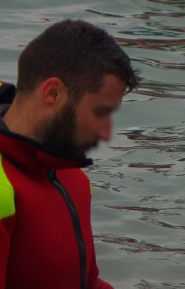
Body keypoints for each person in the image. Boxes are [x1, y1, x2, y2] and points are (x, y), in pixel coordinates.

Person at [0, 20, 140, 288]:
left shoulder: (72, 177)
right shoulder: (3, 189)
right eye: (99, 112)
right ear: (53, 93)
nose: (105, 133)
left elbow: (86, 282)